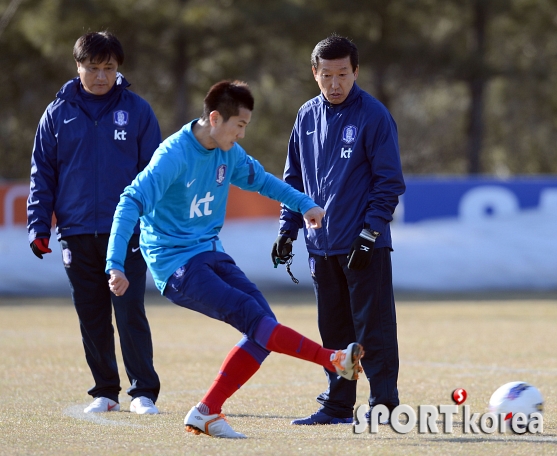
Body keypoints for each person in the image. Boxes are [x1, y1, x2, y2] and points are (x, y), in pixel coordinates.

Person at [105, 80, 364, 438]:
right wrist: (115, 264)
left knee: (264, 328)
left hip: (211, 252)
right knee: (257, 322)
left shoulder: (229, 153)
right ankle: (333, 360)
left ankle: (207, 411)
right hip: (175, 264)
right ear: (215, 118)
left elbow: (264, 182)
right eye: (239, 126)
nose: (241, 135)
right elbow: (129, 201)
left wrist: (304, 204)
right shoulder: (173, 156)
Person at [271, 35, 406, 425]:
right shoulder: (305, 116)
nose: (335, 83)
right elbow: (292, 180)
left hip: (363, 246)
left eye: (343, 74)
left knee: (374, 331)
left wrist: (370, 234)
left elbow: (389, 182)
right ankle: (338, 406)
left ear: (356, 72)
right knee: (333, 333)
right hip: (320, 249)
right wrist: (287, 229)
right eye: (326, 74)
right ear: (314, 73)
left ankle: (384, 408)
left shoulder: (374, 115)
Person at [27, 31, 161, 415]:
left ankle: (143, 393)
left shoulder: (137, 110)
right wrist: (38, 226)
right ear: (78, 67)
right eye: (93, 67)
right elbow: (43, 175)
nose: (101, 76)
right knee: (92, 314)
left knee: (129, 309)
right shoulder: (56, 114)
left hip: (128, 232)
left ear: (118, 69)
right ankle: (105, 391)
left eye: (109, 68)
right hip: (76, 232)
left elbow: (155, 174)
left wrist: (153, 225)